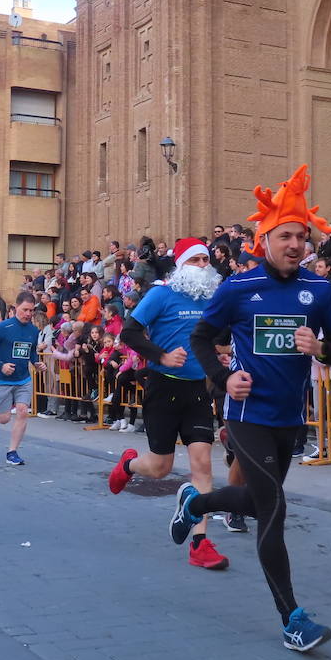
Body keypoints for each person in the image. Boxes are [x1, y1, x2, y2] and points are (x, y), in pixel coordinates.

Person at [179, 165, 331, 652]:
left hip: (290, 419)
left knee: (259, 503)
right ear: (265, 238)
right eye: (286, 236)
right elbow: (200, 336)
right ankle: (292, 619)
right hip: (246, 416)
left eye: (301, 236)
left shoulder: (319, 292)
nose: (295, 244)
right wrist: (223, 378)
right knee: (273, 509)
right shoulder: (237, 289)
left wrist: (320, 349)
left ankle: (197, 502)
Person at [110, 238, 230, 571]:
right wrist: (161, 356)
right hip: (163, 388)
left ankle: (200, 543)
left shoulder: (211, 299)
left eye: (207, 259)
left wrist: (221, 349)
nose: (204, 265)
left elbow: (214, 335)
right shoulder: (161, 294)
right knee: (160, 468)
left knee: (203, 465)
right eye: (196, 260)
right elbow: (129, 334)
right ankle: (128, 465)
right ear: (181, 264)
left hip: (196, 391)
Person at [0, 293, 45, 464]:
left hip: (23, 379)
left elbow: (31, 351)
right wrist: (1, 365)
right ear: (16, 308)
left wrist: (37, 363)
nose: (28, 314)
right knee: (4, 419)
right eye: (25, 310)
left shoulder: (33, 330)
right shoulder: (3, 327)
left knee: (23, 411)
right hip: (2, 379)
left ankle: (12, 452)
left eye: (31, 310)